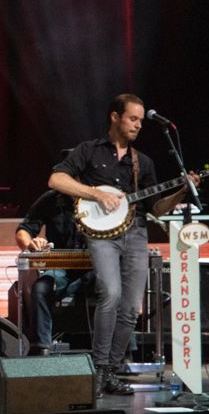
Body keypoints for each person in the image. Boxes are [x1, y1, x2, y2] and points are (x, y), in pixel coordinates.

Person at [47, 92, 181, 396]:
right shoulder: (89, 152)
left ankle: (110, 370)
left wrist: (181, 192)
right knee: (110, 293)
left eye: (140, 121)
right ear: (115, 117)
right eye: (132, 118)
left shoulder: (142, 162)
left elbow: (155, 208)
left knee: (131, 306)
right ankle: (97, 370)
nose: (138, 125)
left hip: (136, 232)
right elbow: (56, 180)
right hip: (101, 235)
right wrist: (97, 194)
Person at [12, 187, 89, 353]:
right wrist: (31, 244)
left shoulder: (102, 198)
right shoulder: (52, 199)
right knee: (41, 288)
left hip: (95, 268)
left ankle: (125, 350)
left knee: (115, 288)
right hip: (61, 268)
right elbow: (23, 231)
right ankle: (42, 349)